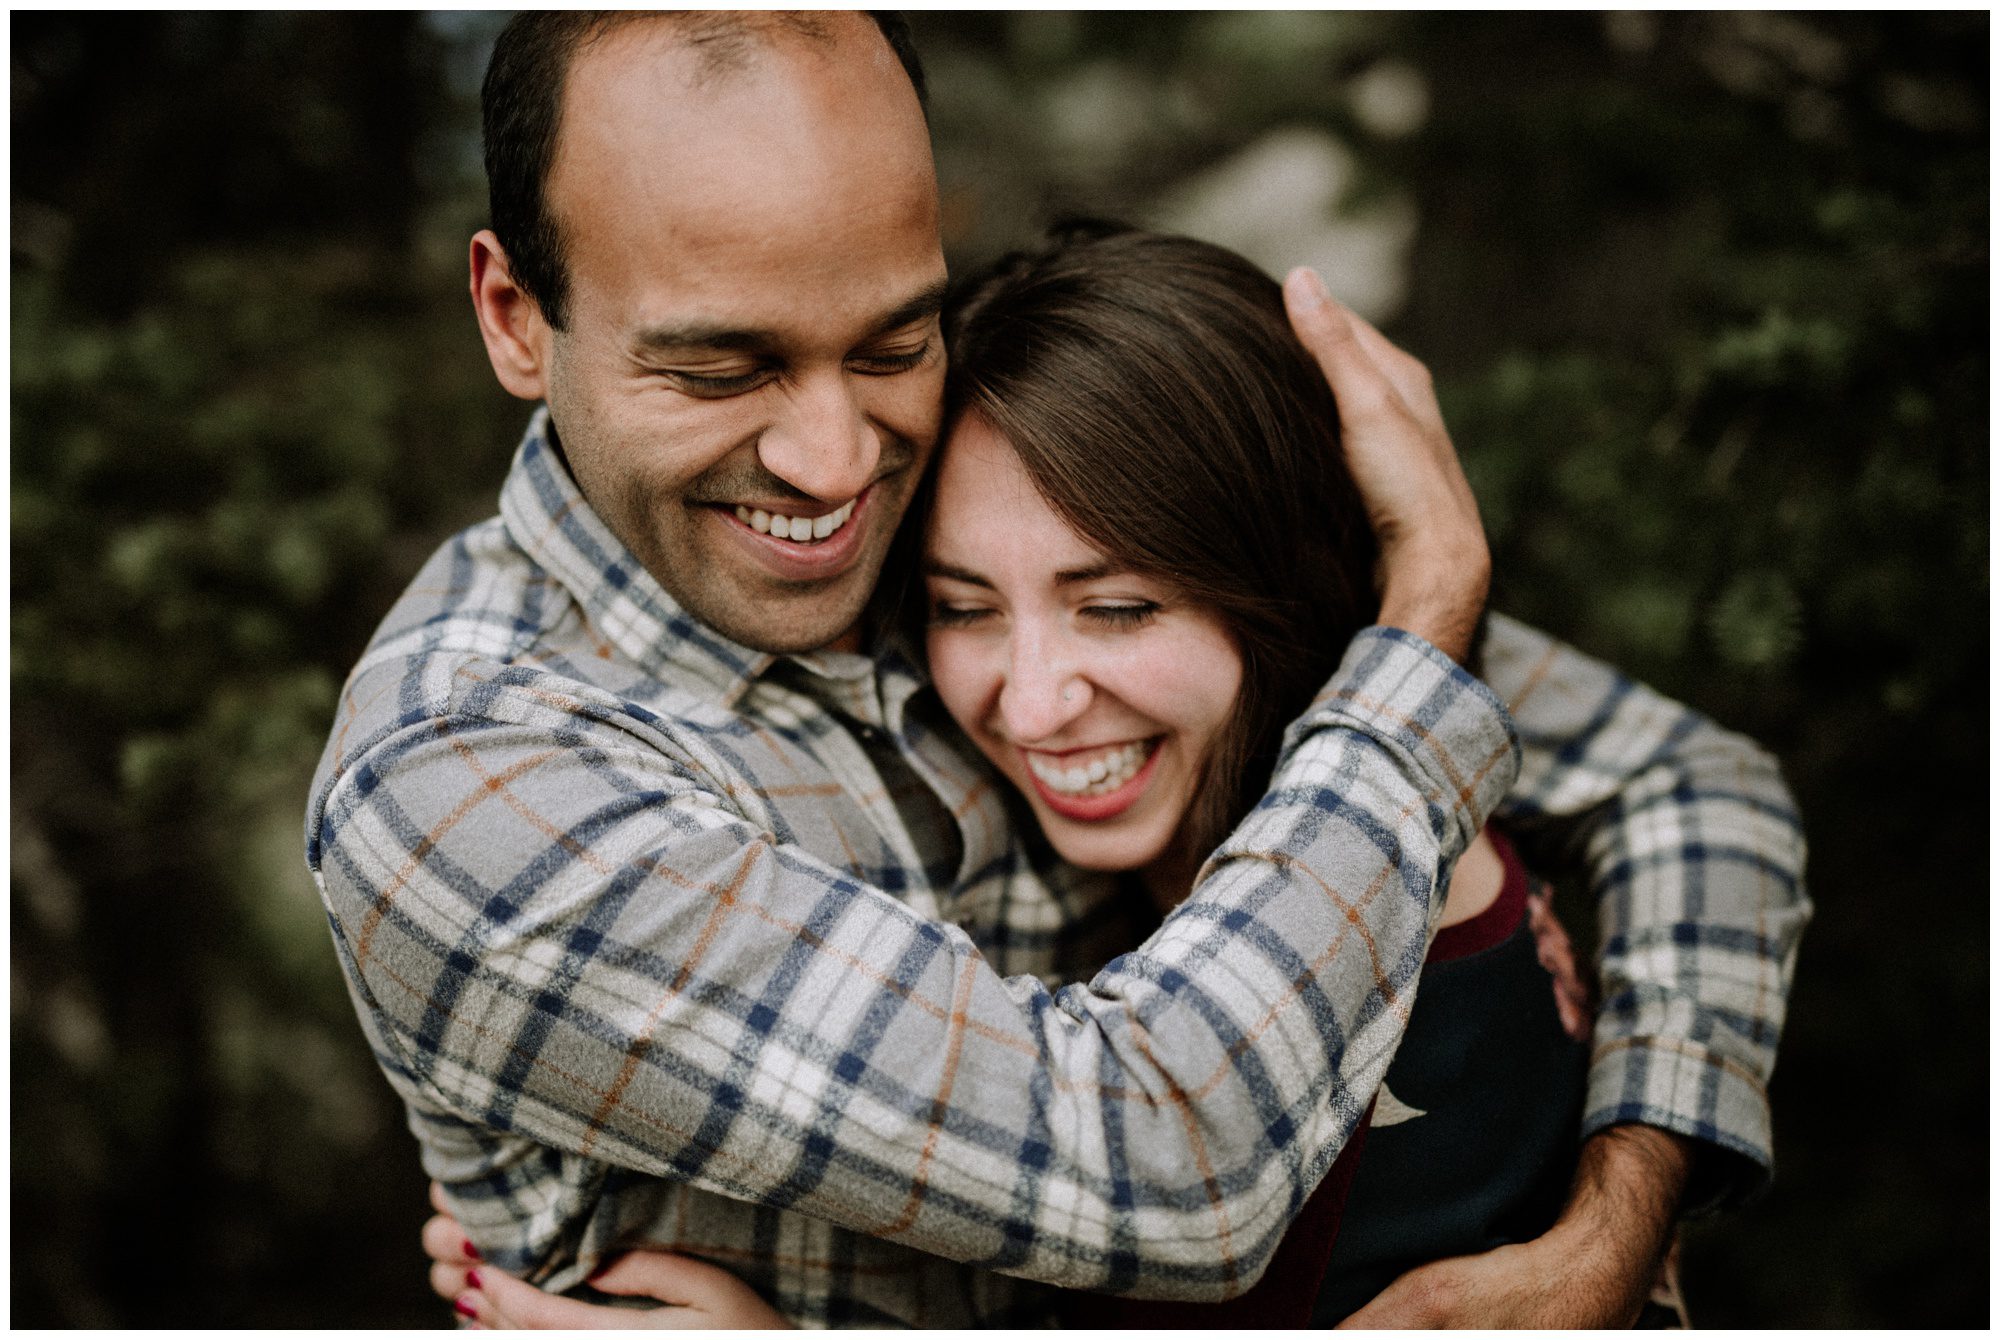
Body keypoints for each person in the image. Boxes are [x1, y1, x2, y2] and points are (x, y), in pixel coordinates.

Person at [306, 13, 1807, 1328]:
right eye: (720, 367)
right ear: (516, 315)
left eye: (895, 338)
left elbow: (1691, 784)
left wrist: (1615, 1231)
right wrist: (1424, 622)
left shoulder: (955, 500)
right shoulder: (463, 779)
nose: (832, 466)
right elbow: (1175, 1165)